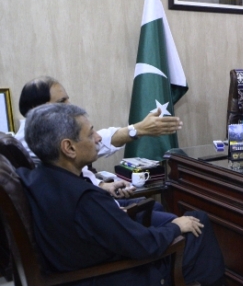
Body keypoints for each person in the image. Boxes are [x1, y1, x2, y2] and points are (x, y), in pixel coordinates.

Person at [18, 103, 234, 286]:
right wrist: (176, 227)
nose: (98, 138)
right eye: (90, 133)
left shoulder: (33, 177)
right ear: (68, 147)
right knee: (196, 224)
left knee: (167, 217)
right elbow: (144, 245)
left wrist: (109, 215)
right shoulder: (85, 200)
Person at [16, 76, 180, 226]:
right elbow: (86, 147)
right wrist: (138, 129)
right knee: (176, 224)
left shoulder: (45, 131)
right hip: (88, 215)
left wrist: (101, 185)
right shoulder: (33, 138)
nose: (70, 105)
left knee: (155, 207)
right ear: (37, 108)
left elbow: (77, 163)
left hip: (94, 203)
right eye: (62, 101)